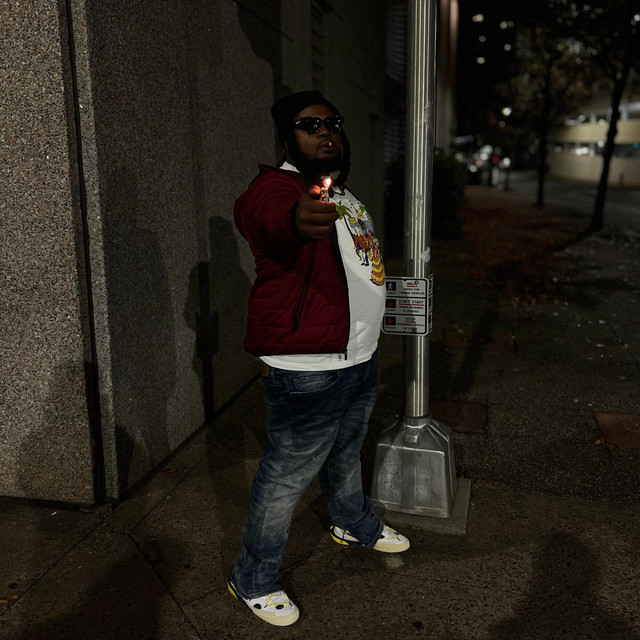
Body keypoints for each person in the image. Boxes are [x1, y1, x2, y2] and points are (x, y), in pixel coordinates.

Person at [227, 90, 410, 627]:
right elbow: (263, 217)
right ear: (288, 137)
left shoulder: (344, 194)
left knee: (346, 453)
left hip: (359, 356)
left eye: (332, 123)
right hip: (309, 367)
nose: (324, 132)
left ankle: (352, 522)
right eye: (309, 125)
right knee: (287, 476)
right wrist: (292, 220)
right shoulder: (276, 189)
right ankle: (252, 577)